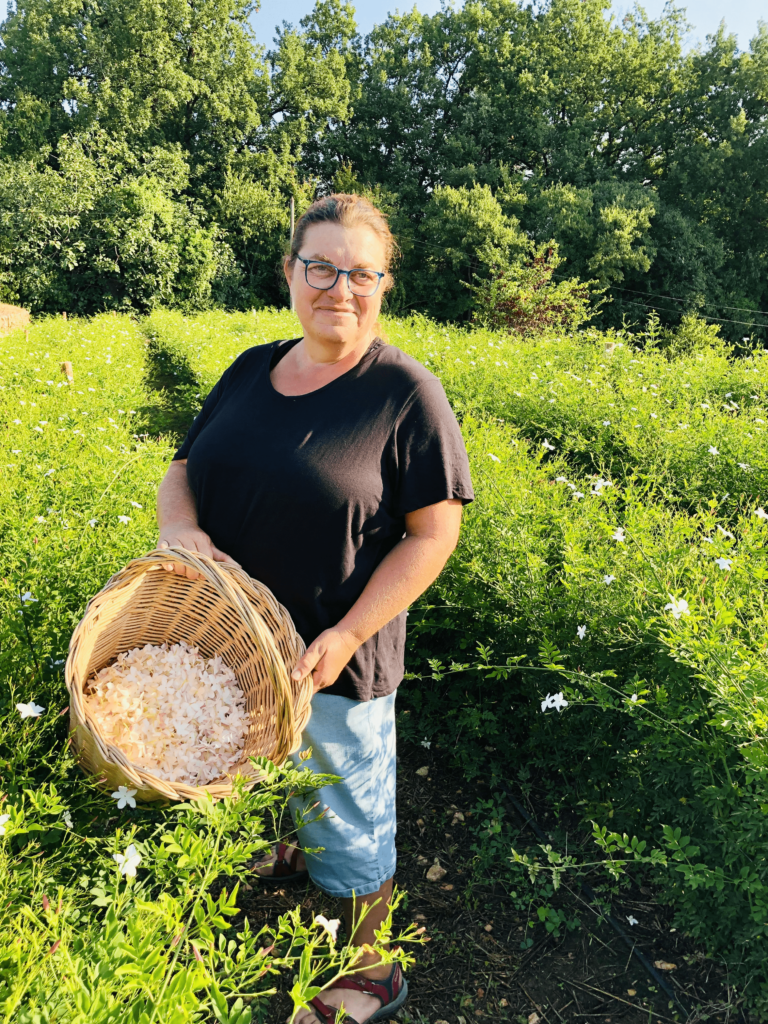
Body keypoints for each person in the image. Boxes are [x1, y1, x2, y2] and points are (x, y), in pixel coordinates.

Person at [155, 193, 474, 1024]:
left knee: (353, 807)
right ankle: (293, 851)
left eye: (359, 272)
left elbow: (432, 536)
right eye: (321, 266)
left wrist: (346, 632)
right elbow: (183, 467)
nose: (339, 287)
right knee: (256, 764)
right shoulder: (251, 367)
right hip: (228, 643)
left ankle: (371, 971)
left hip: (331, 658)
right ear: (291, 274)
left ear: (383, 285)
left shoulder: (406, 393)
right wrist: (179, 528)